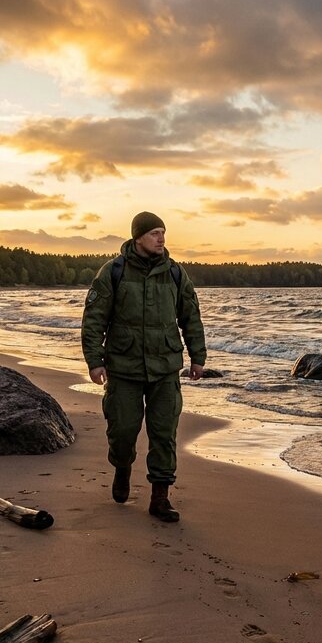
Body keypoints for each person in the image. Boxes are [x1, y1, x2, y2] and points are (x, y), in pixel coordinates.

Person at [81, 211, 207, 523]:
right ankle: (122, 467)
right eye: (154, 233)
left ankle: (160, 498)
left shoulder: (175, 273)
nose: (161, 239)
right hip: (124, 367)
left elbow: (190, 316)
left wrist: (198, 356)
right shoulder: (114, 271)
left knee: (164, 433)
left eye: (163, 232)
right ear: (138, 237)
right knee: (122, 430)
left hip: (165, 367)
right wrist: (95, 362)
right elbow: (94, 319)